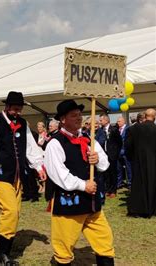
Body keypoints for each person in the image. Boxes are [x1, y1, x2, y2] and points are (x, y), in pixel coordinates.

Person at [45, 100, 114, 265]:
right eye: (73, 115)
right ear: (63, 119)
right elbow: (58, 174)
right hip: (70, 203)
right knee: (64, 248)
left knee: (105, 242)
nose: (78, 118)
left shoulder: (88, 139)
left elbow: (105, 165)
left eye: (79, 115)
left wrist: (97, 159)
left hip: (92, 203)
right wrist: (83, 185)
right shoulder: (55, 143)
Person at [0, 91, 46, 265]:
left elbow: (31, 148)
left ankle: (4, 254)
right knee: (10, 211)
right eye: (15, 109)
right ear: (7, 106)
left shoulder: (23, 124)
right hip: (1, 175)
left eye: (20, 109)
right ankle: (1, 254)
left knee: (15, 213)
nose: (17, 112)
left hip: (17, 176)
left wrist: (38, 166)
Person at [125, 108, 156, 218]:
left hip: (138, 161)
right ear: (155, 116)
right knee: (153, 183)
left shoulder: (134, 129)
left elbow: (128, 146)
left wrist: (131, 158)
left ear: (145, 116)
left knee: (139, 184)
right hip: (154, 162)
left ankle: (138, 209)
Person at [95, 114, 122, 198]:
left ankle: (113, 190)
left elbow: (119, 142)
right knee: (106, 172)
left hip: (112, 155)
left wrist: (116, 153)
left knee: (113, 172)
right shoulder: (100, 130)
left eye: (101, 120)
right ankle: (108, 189)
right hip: (104, 154)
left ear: (106, 120)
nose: (100, 122)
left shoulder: (114, 129)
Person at [116, 117, 132, 189]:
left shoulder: (128, 129)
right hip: (118, 153)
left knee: (128, 169)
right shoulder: (117, 129)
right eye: (117, 121)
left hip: (126, 152)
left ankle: (130, 183)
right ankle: (119, 183)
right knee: (119, 169)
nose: (118, 123)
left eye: (119, 121)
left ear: (123, 121)